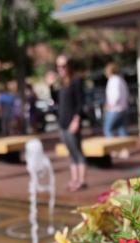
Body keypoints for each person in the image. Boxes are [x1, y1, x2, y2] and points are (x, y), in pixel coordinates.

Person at [52, 54, 87, 191]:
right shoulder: (61, 83)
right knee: (71, 152)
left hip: (72, 121)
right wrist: (50, 87)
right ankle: (74, 179)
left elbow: (80, 103)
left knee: (77, 151)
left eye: (63, 66)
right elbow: (56, 101)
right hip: (62, 122)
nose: (61, 69)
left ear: (69, 65)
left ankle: (82, 180)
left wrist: (76, 120)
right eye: (58, 66)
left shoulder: (76, 81)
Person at [103, 62, 129, 138]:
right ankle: (125, 148)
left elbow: (115, 95)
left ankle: (112, 148)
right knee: (122, 128)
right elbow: (126, 93)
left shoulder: (113, 80)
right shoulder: (121, 80)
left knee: (107, 129)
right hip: (123, 108)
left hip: (115, 109)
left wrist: (110, 105)